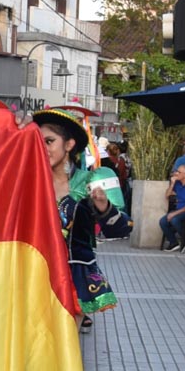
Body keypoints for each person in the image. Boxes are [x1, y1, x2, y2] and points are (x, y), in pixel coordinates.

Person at [35, 109, 130, 332]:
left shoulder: (93, 180)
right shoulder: (28, 181)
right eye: (37, 142)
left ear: (69, 144)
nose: (42, 148)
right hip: (31, 275)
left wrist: (104, 207)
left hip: (72, 278)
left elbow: (122, 229)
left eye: (49, 141)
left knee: (64, 344)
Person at [158, 164, 185, 251]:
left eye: (178, 172)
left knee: (174, 219)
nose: (176, 173)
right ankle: (173, 242)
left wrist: (174, 214)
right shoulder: (177, 183)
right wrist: (172, 183)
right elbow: (167, 195)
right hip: (179, 210)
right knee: (163, 221)